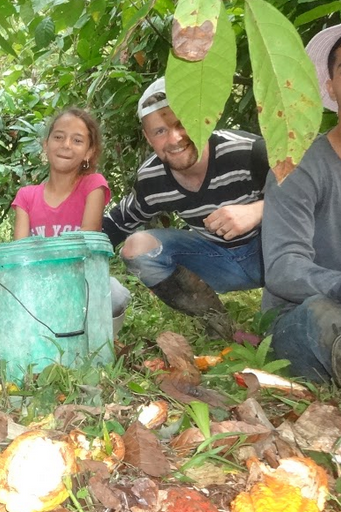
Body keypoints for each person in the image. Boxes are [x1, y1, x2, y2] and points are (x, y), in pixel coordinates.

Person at [103, 78, 268, 338]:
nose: (175, 138)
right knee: (137, 247)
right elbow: (115, 224)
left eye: (183, 123)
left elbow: (314, 197)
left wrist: (259, 210)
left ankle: (286, 312)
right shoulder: (152, 178)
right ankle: (222, 328)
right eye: (160, 131)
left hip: (271, 255)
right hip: (217, 261)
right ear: (148, 138)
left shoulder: (248, 152)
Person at [262, 23, 341, 382]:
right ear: (331, 87)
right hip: (302, 313)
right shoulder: (298, 166)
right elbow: (283, 267)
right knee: (323, 317)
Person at [12, 108, 131, 326]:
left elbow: (87, 244)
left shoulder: (93, 185)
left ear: (88, 152)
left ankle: (97, 335)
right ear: (45, 144)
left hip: (81, 282)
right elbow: (21, 254)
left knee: (115, 293)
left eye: (77, 140)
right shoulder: (26, 196)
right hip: (38, 284)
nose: (66, 144)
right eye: (58, 137)